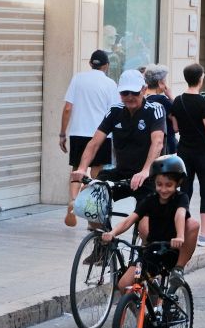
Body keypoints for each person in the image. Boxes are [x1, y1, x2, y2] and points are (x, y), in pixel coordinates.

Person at [71, 68, 167, 205]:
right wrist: (82, 168)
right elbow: (94, 143)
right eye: (124, 93)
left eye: (134, 92)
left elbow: (157, 143)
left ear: (144, 90)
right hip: (122, 172)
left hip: (149, 175)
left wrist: (145, 171)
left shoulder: (155, 109)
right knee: (91, 196)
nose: (129, 97)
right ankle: (97, 224)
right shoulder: (115, 110)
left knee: (144, 226)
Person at [102, 155, 198, 287]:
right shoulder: (149, 200)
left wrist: (180, 236)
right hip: (152, 252)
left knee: (193, 224)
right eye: (159, 184)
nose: (163, 189)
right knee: (123, 285)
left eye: (169, 185)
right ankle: (148, 296)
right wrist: (113, 233)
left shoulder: (181, 198)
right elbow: (130, 219)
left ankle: (178, 270)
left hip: (172, 249)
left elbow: (180, 214)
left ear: (178, 183)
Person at [60, 50, 119, 226]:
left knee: (77, 168)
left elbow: (68, 108)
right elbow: (114, 111)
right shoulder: (110, 84)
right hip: (100, 134)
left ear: (90, 64)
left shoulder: (78, 78)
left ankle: (73, 200)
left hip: (78, 132)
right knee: (96, 173)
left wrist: (63, 133)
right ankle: (91, 212)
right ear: (106, 65)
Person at [170, 63, 205, 246]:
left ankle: (182, 230)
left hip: (184, 151)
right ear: (200, 79)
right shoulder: (203, 102)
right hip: (203, 153)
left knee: (185, 190)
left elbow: (175, 127)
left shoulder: (177, 100)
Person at [143, 65, 175, 154]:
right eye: (165, 80)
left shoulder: (142, 98)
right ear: (160, 82)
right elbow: (176, 118)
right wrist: (171, 96)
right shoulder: (162, 100)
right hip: (165, 145)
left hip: (148, 144)